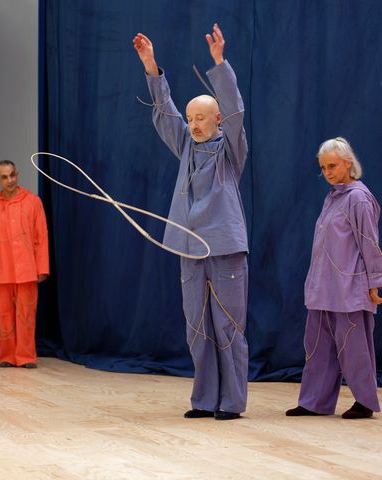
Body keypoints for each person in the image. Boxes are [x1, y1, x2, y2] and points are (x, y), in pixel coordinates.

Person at [132, 24, 249, 420]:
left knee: (228, 327)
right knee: (197, 328)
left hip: (226, 248)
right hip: (187, 246)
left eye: (202, 118)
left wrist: (220, 64)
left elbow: (235, 110)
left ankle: (231, 403)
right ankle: (203, 400)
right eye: (191, 118)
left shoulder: (231, 151)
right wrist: (151, 67)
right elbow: (163, 115)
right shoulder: (185, 146)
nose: (195, 124)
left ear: (216, 119)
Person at [286, 138, 382, 419]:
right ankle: (314, 402)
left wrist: (376, 281)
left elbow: (369, 243)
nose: (327, 172)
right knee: (317, 347)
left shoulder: (358, 198)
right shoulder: (333, 197)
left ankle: (364, 401)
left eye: (332, 166)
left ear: (348, 163)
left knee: (354, 348)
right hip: (322, 289)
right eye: (323, 167)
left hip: (348, 289)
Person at [0, 160, 49, 368]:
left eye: (12, 175)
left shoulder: (33, 202)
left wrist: (42, 267)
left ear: (17, 174)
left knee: (26, 313)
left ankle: (26, 356)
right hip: (1, 270)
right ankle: (8, 356)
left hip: (27, 269)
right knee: (4, 315)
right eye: (4, 177)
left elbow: (42, 236)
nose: (9, 180)